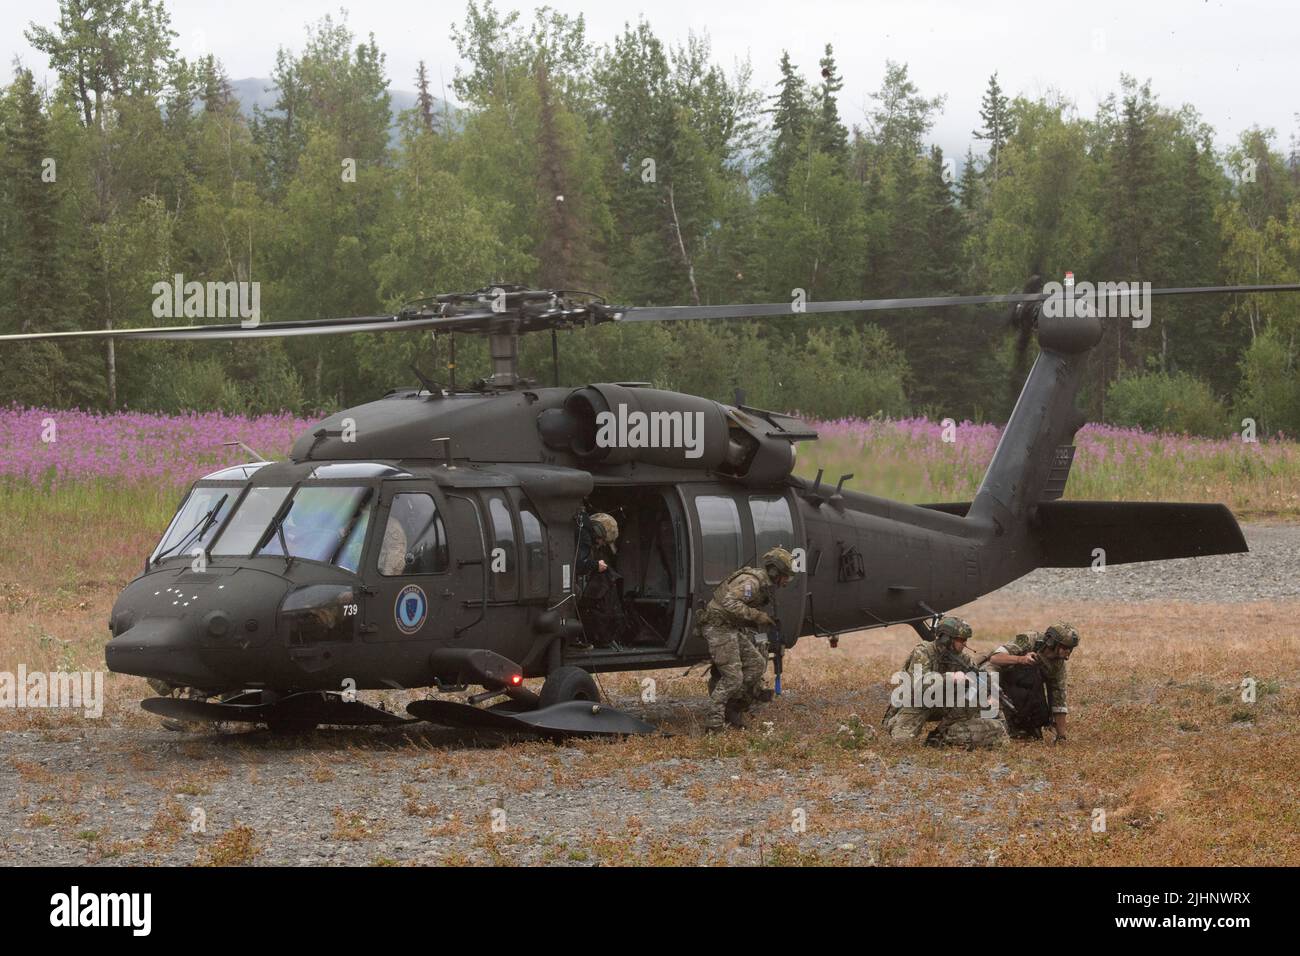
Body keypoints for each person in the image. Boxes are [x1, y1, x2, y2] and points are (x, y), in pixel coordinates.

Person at [697, 547, 795, 732]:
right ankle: (714, 722)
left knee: (756, 664)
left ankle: (733, 708)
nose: (786, 582)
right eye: (786, 576)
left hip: (729, 627)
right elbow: (729, 602)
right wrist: (757, 616)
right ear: (775, 572)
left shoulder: (763, 584)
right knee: (733, 678)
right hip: (717, 627)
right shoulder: (752, 583)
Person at [883, 615, 1008, 748]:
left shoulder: (964, 659)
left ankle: (940, 735)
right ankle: (894, 721)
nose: (965, 644)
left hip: (944, 702)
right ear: (946, 638)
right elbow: (918, 685)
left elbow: (978, 683)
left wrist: (989, 695)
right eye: (961, 639)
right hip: (917, 702)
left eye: (965, 640)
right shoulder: (924, 651)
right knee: (902, 743)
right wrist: (951, 677)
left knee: (973, 700)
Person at [980, 622, 1079, 742]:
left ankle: (1022, 725)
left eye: (1070, 648)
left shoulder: (1057, 666)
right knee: (989, 677)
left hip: (1019, 687)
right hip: (998, 674)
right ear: (1052, 643)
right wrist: (1020, 659)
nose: (1068, 652)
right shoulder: (1029, 639)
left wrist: (1061, 736)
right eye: (1064, 647)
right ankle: (991, 722)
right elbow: (995, 658)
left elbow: (1059, 701)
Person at [575, 511, 625, 647]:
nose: (600, 544)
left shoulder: (580, 525)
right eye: (602, 540)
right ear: (597, 531)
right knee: (576, 593)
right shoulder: (584, 537)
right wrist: (596, 565)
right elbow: (578, 565)